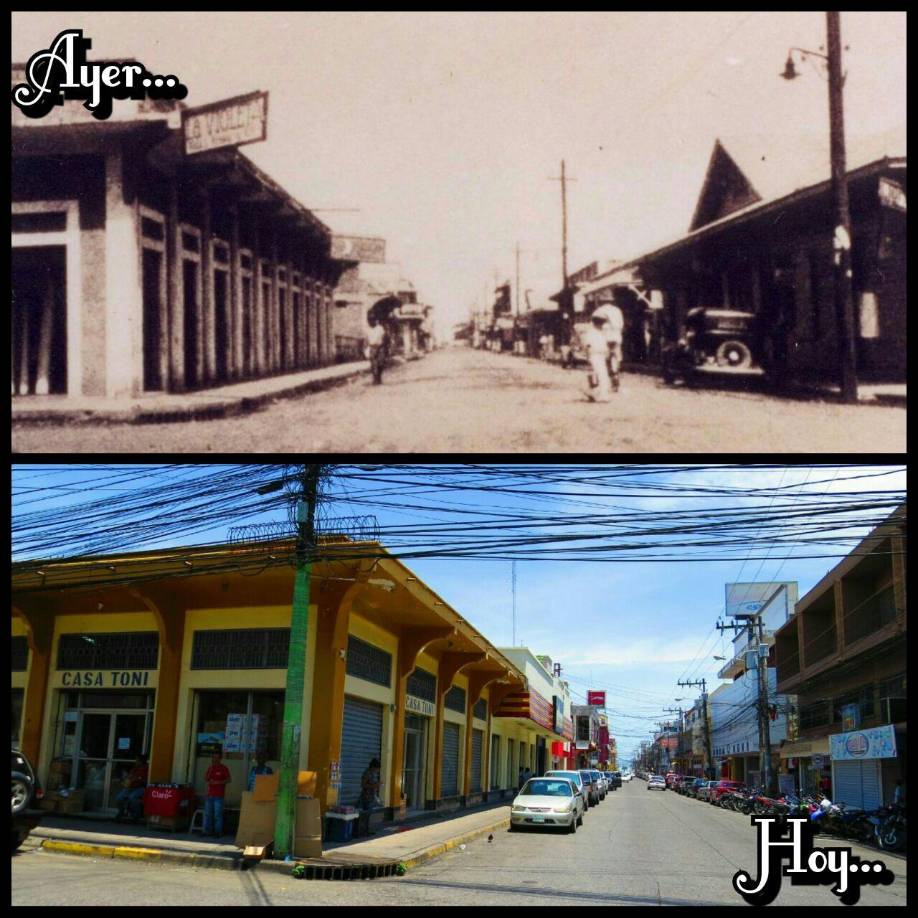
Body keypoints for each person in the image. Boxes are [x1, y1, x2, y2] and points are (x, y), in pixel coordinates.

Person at [592, 299, 625, 390]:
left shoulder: (598, 311)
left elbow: (594, 326)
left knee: (605, 359)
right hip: (616, 337)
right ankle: (615, 375)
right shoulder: (617, 310)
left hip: (604, 337)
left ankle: (607, 379)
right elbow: (621, 326)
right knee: (615, 357)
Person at [581, 315, 612, 402]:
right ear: (596, 323)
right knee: (601, 375)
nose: (601, 325)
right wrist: (588, 358)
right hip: (594, 355)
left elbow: (605, 345)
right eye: (600, 323)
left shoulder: (602, 332)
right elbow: (587, 346)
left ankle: (592, 392)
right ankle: (602, 395)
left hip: (601, 355)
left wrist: (607, 353)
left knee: (599, 375)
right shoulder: (591, 333)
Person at [203, 751, 231, 838]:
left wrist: (218, 782)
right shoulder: (210, 768)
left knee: (217, 814)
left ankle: (218, 832)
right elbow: (206, 778)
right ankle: (207, 831)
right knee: (208, 814)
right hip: (209, 794)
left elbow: (229, 780)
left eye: (216, 757)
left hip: (219, 795)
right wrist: (209, 780)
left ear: (220, 759)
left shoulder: (224, 768)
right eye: (213, 757)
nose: (214, 759)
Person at [114, 753, 148, 820]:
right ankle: (121, 812)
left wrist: (133, 780)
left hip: (140, 788)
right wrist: (125, 780)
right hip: (130, 787)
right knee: (119, 798)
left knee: (132, 798)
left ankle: (136, 815)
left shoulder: (145, 768)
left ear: (141, 761)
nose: (136, 761)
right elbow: (129, 776)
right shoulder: (135, 768)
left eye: (137, 760)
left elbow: (141, 779)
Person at [356, 757, 381, 837]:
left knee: (368, 815)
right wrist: (375, 785)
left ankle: (366, 830)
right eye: (377, 768)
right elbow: (363, 785)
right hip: (366, 797)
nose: (378, 770)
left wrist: (377, 785)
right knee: (365, 815)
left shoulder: (373, 773)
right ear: (373, 767)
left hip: (371, 796)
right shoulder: (367, 773)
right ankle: (363, 831)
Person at [366, 317, 387, 385]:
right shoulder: (368, 329)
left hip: (380, 347)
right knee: (373, 364)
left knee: (381, 363)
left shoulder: (380, 328)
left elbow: (384, 337)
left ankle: (379, 377)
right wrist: (367, 348)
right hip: (372, 347)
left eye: (372, 321)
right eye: (369, 321)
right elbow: (366, 339)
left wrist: (384, 347)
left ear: (376, 321)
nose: (370, 323)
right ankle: (375, 379)